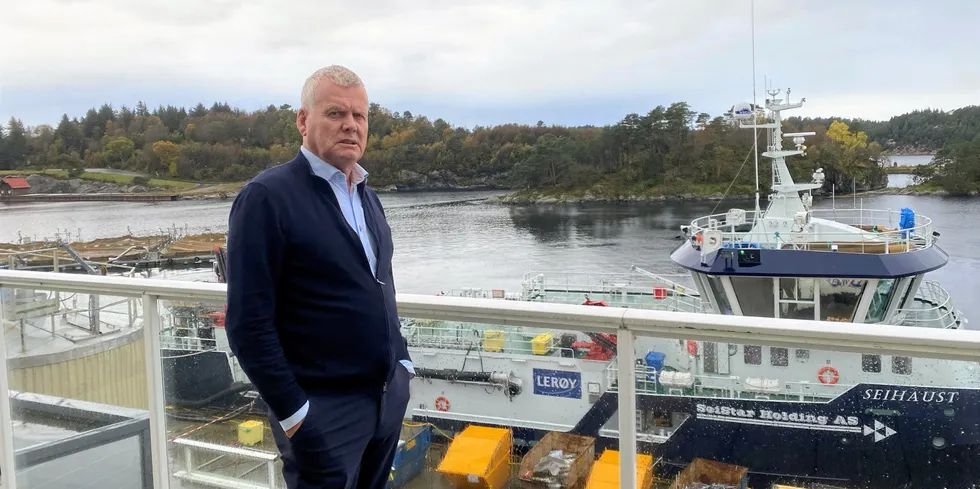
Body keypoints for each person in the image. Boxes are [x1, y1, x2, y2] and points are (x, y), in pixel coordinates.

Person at [224, 65, 414, 489]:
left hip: (384, 400)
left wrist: (402, 363)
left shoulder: (368, 197)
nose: (350, 125)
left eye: (359, 116)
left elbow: (382, 287)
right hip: (322, 411)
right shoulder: (267, 198)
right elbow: (247, 325)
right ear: (303, 120)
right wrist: (295, 416)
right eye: (335, 113)